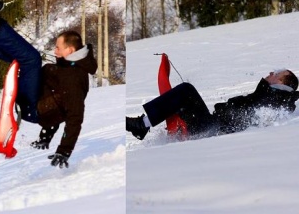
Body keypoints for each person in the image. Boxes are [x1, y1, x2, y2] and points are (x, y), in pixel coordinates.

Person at [0, 0, 98, 168]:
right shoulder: (68, 66)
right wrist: (45, 137)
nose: (55, 51)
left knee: (31, 59)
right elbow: (58, 104)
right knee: (24, 59)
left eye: (58, 48)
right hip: (37, 103)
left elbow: (73, 118)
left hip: (34, 109)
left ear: (70, 51)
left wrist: (64, 150)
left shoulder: (75, 79)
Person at [127, 70, 299, 140]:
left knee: (186, 90)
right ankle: (177, 121)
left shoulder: (278, 99)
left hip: (214, 130)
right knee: (185, 98)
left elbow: (286, 103)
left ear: (282, 83)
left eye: (276, 74)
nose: (270, 73)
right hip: (213, 124)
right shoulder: (266, 95)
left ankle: (142, 125)